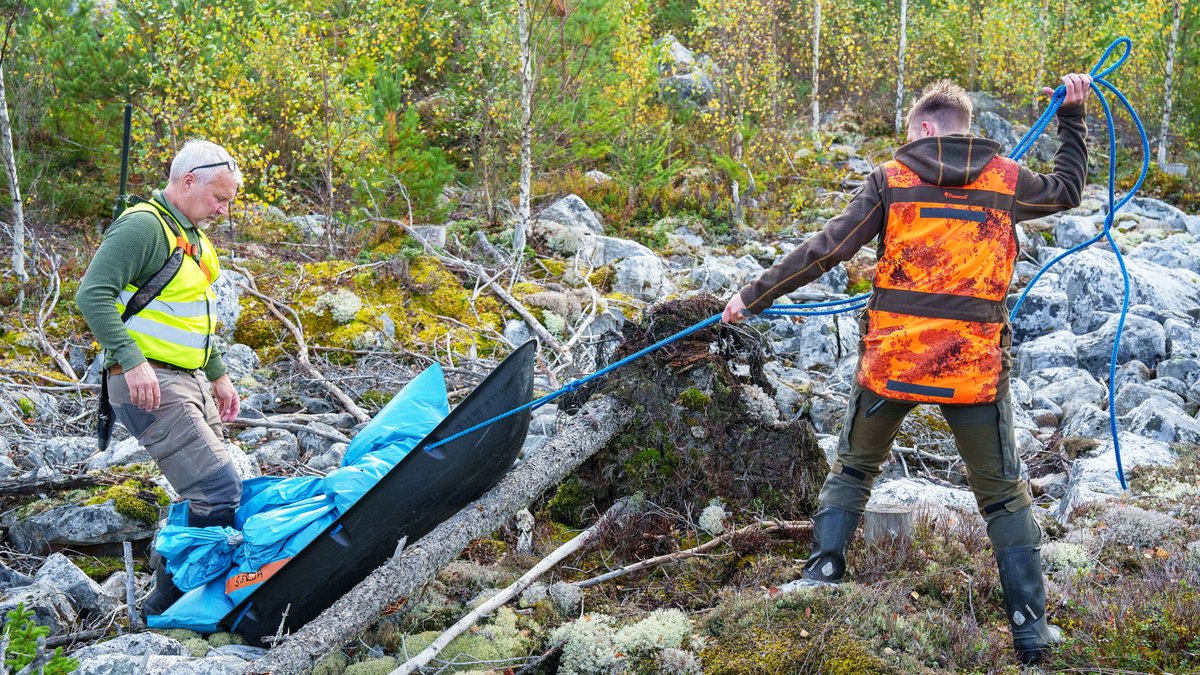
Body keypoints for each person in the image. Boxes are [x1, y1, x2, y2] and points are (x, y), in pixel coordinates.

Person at [723, 74, 1092, 664]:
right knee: (1002, 497)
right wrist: (1073, 117)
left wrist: (752, 296)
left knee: (854, 468)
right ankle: (1029, 635)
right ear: (963, 128)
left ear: (923, 128)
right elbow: (1071, 188)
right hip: (971, 369)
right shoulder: (1007, 181)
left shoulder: (890, 180)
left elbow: (828, 250)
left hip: (893, 361)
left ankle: (822, 574)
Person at [76, 139, 245, 615]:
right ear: (188, 181)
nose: (222, 209)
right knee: (219, 489)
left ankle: (198, 583)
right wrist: (130, 360)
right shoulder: (144, 228)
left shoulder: (188, 235)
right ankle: (167, 603)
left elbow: (192, 316)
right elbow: (92, 294)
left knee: (211, 489)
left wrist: (218, 374)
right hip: (148, 385)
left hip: (189, 380)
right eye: (219, 197)